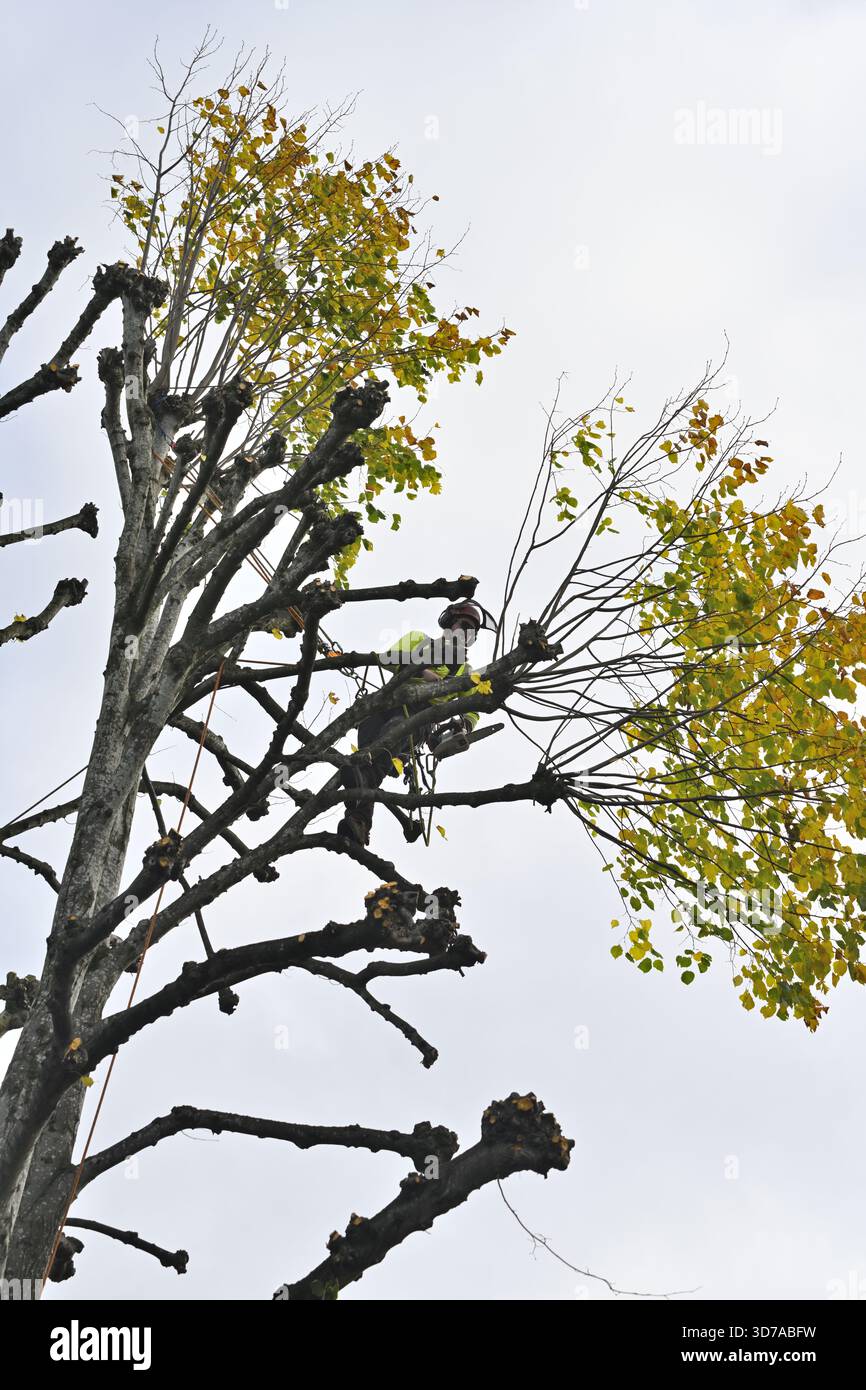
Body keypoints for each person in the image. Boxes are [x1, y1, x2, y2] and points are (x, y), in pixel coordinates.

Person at [336, 600, 484, 846]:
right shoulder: (420, 641)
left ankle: (360, 801)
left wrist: (463, 727)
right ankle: (358, 821)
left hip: (422, 716)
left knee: (388, 739)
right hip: (388, 701)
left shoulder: (466, 672)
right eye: (464, 624)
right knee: (367, 752)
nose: (466, 632)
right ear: (449, 623)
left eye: (471, 630)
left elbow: (474, 709)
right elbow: (390, 658)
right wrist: (421, 671)